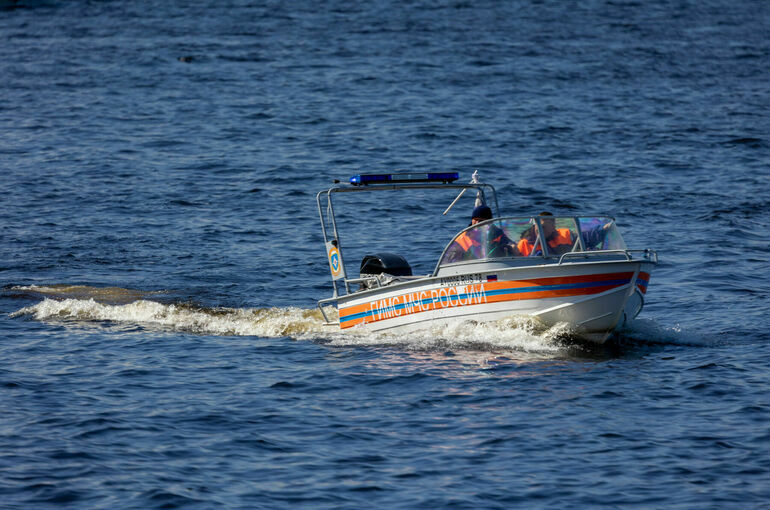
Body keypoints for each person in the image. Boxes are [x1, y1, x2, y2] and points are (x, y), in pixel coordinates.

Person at [516, 212, 611, 256]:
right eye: (537, 227)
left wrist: (602, 230)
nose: (539, 230)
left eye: (543, 227)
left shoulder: (565, 235)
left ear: (553, 226)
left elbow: (584, 239)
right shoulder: (524, 243)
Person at [443, 205, 516, 262]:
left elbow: (509, 243)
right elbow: (450, 259)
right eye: (475, 220)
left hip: (496, 268)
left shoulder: (498, 234)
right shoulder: (463, 237)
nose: (477, 223)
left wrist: (511, 246)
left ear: (489, 222)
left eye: (481, 220)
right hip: (470, 272)